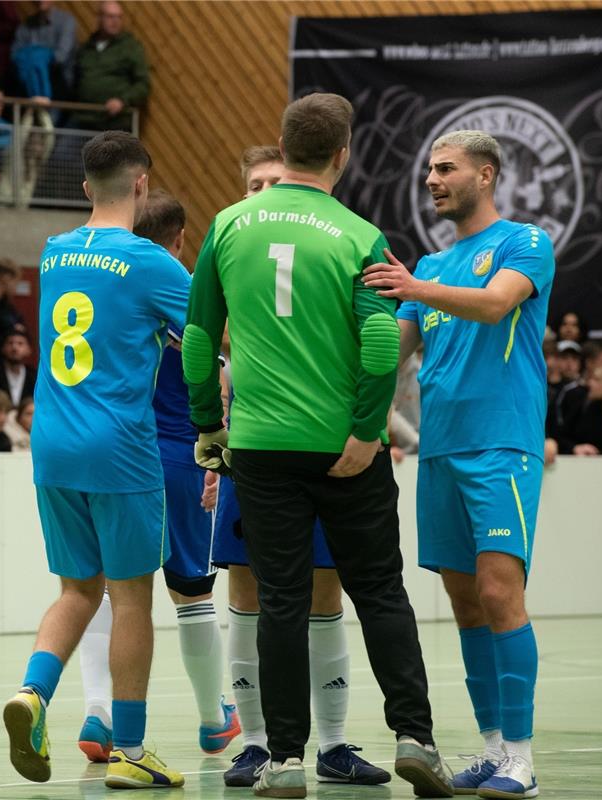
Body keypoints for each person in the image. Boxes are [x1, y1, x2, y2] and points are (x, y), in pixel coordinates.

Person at [184, 93, 454, 799]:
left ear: (282, 143)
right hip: (342, 446)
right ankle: (414, 736)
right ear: (344, 153)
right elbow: (375, 344)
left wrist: (209, 426)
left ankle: (283, 759)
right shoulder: (360, 235)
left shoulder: (228, 224)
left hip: (261, 446)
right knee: (378, 593)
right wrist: (368, 431)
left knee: (278, 601)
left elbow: (198, 339)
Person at [364, 128, 555, 799]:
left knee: (502, 592)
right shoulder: (430, 268)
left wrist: (413, 284)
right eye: (427, 173)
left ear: (486, 173)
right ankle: (495, 750)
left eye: (446, 170)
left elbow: (497, 302)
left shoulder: (524, 243)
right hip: (439, 451)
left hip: (501, 444)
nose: (433, 181)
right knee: (466, 604)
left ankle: (524, 761)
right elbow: (391, 353)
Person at [3, 131, 189, 790]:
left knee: (77, 590)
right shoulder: (151, 261)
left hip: (52, 442)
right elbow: (208, 336)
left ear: (86, 188)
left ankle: (33, 692)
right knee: (132, 599)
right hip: (120, 446)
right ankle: (132, 751)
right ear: (142, 185)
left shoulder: (54, 254)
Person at [203, 144, 389, 788]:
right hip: (248, 447)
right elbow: (207, 344)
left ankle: (332, 742)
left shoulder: (315, 245)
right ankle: (256, 741)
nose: (263, 194)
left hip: (310, 444)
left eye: (273, 182)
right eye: (253, 184)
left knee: (324, 588)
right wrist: (214, 448)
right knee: (249, 592)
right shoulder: (234, 243)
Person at [74, 189, 242, 767]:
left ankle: (98, 709)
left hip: (106, 452)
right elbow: (223, 371)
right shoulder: (188, 291)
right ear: (178, 240)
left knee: (100, 588)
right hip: (177, 454)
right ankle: (212, 719)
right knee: (192, 591)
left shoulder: (96, 281)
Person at [69, 2, 148, 132]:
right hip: (83, 119)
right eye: (110, 16)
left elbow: (143, 84)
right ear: (99, 18)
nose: (115, 21)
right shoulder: (86, 48)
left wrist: (122, 100)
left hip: (114, 123)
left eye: (119, 17)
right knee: (60, 150)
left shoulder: (130, 47)